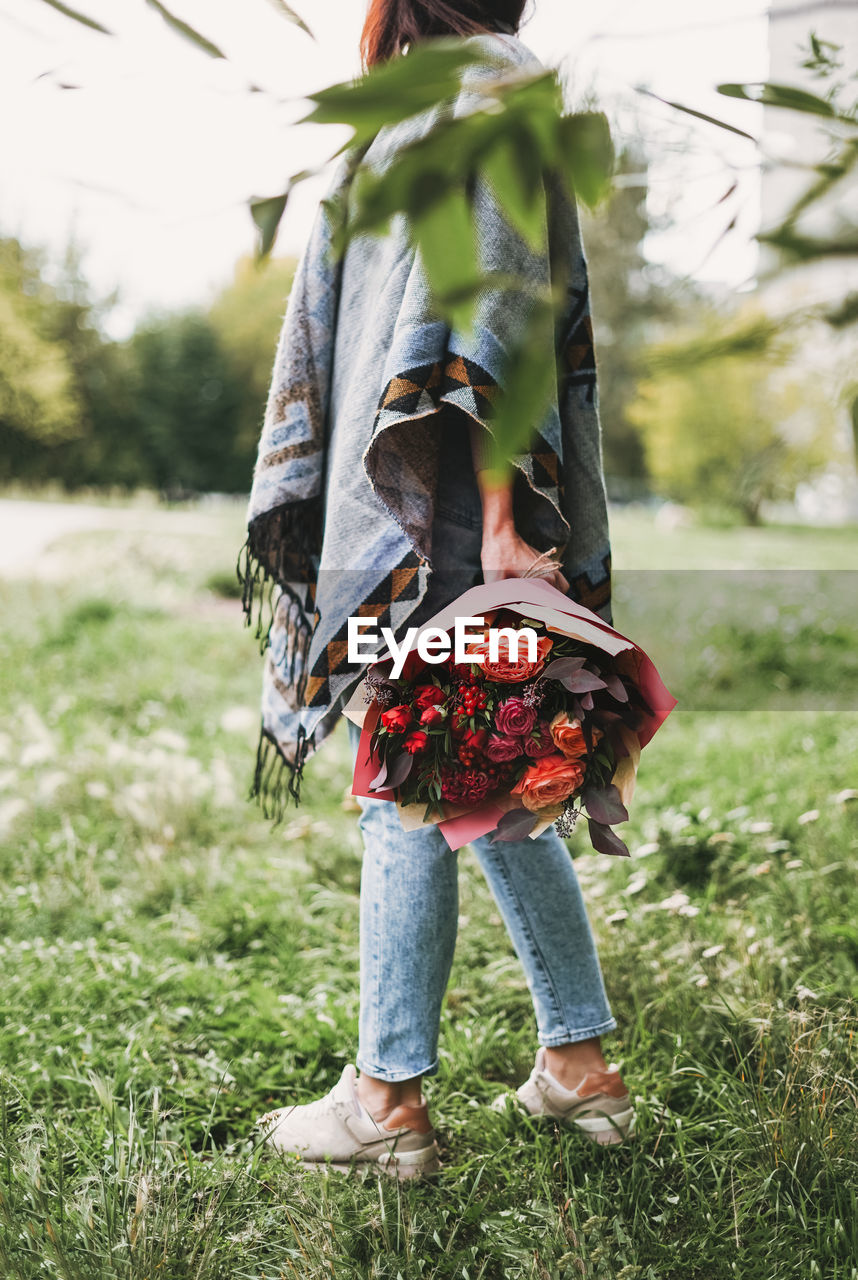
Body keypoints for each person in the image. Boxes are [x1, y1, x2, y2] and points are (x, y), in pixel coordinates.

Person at [243, 0, 632, 1179]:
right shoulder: (454, 96)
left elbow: (492, 313)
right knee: (487, 784)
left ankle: (387, 1097)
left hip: (442, 513)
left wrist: (510, 524)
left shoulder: (479, 96)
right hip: (423, 498)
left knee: (403, 791)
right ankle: (578, 1066)